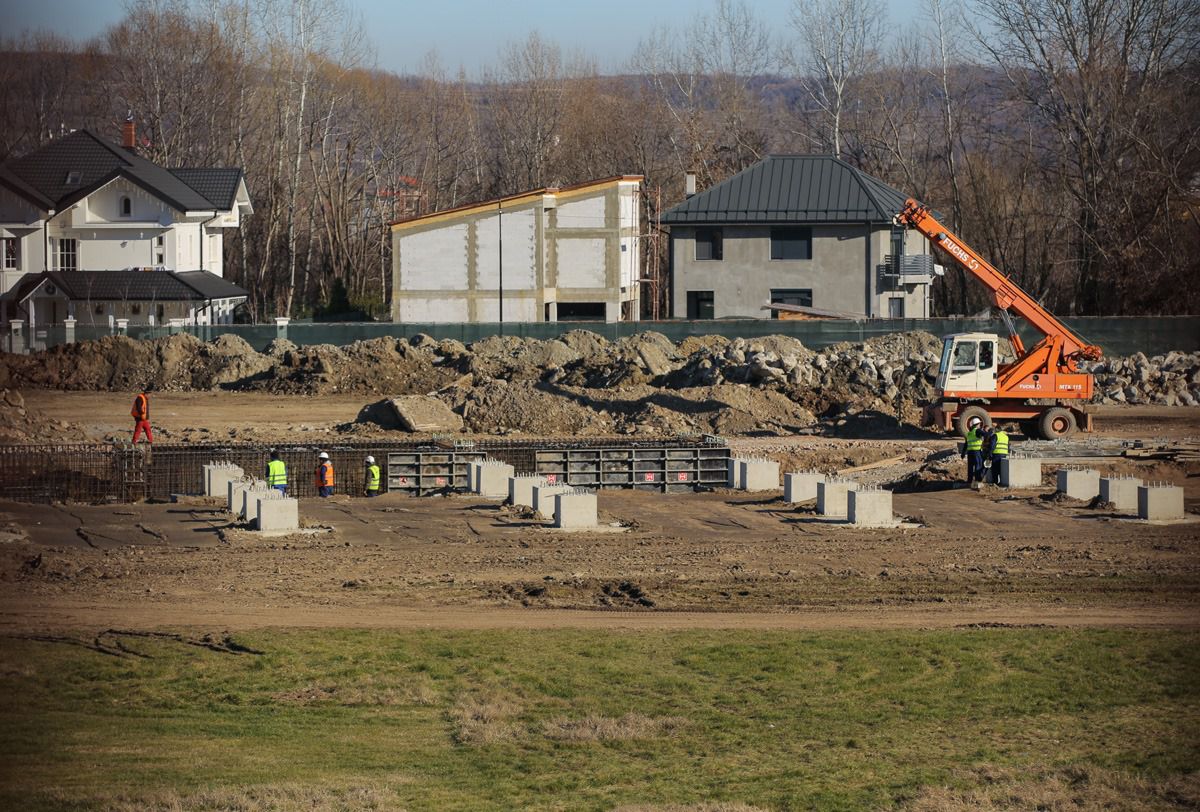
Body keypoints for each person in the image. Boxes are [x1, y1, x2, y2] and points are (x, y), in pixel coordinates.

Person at [962, 417, 985, 486]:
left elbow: (966, 444)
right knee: (978, 465)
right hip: (976, 451)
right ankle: (977, 481)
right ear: (977, 424)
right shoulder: (977, 431)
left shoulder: (969, 433)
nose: (980, 425)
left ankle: (969, 481)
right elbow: (986, 434)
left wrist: (963, 453)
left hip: (970, 452)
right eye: (979, 424)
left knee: (970, 467)